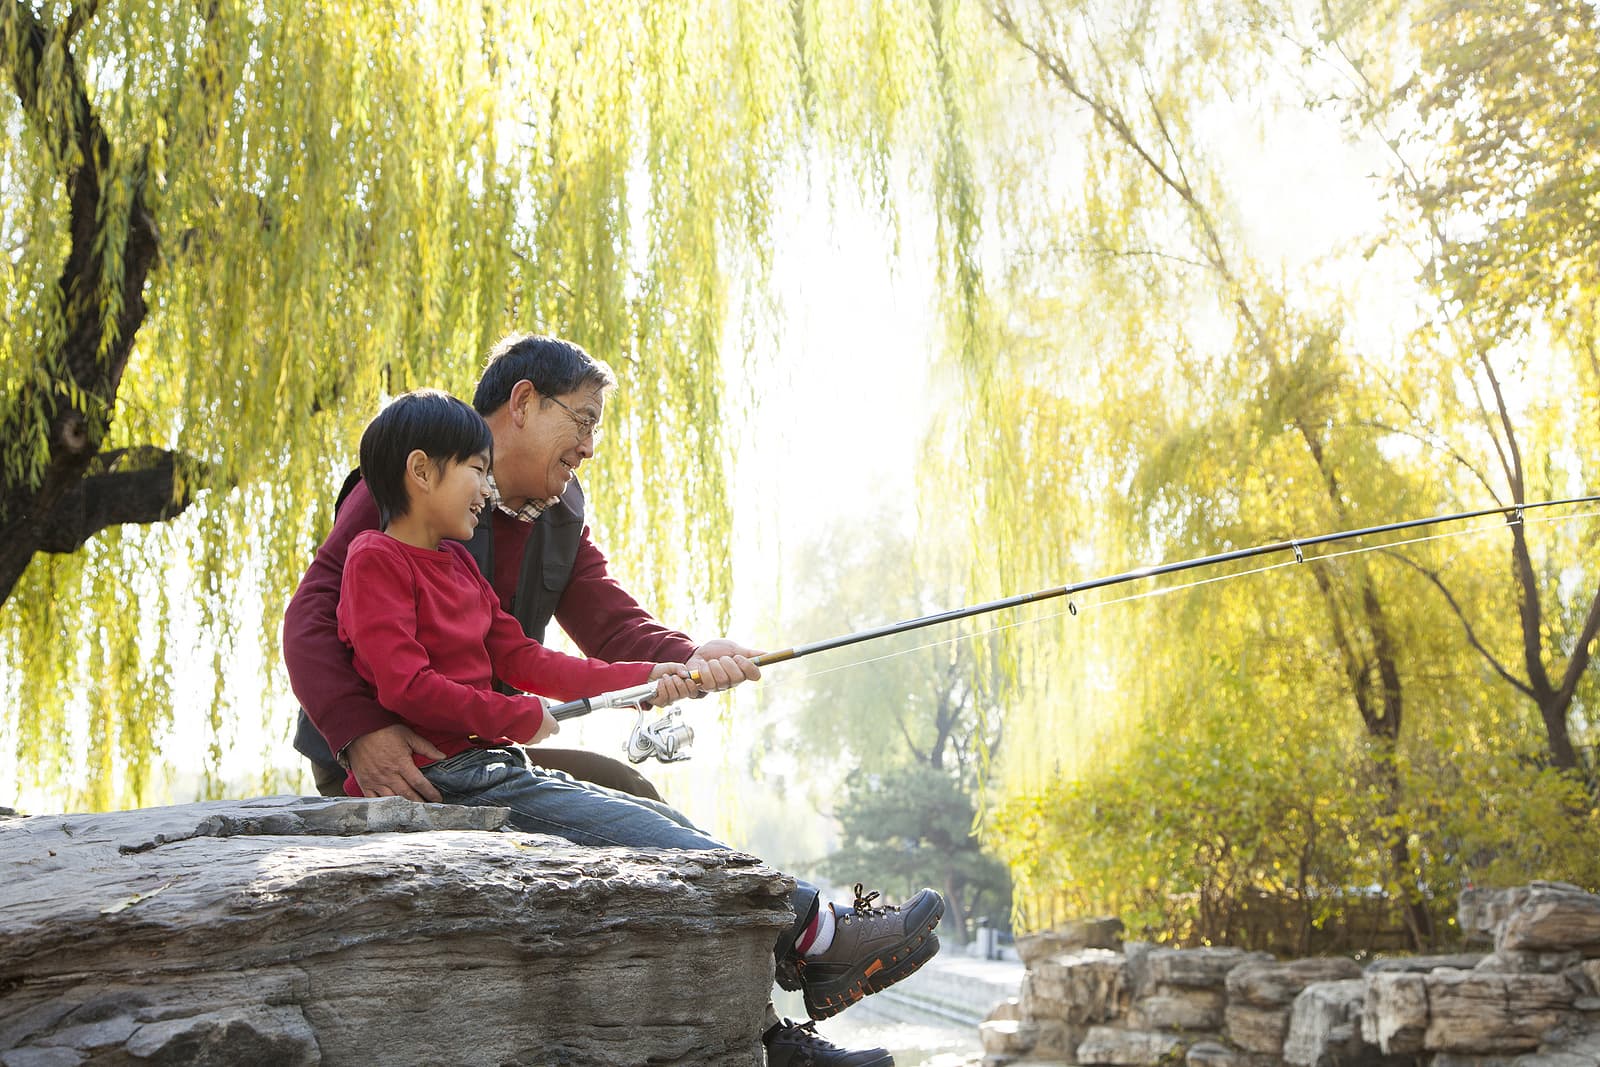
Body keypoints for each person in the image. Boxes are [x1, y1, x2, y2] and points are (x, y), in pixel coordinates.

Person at [282, 337, 940, 1067]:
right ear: (524, 403)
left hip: (485, 745)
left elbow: (595, 627)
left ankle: (762, 1029)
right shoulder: (410, 483)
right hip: (405, 759)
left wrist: (684, 660)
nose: (590, 447)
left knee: (638, 800)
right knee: (618, 826)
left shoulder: (556, 512)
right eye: (584, 420)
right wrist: (361, 730)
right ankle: (808, 952)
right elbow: (308, 619)